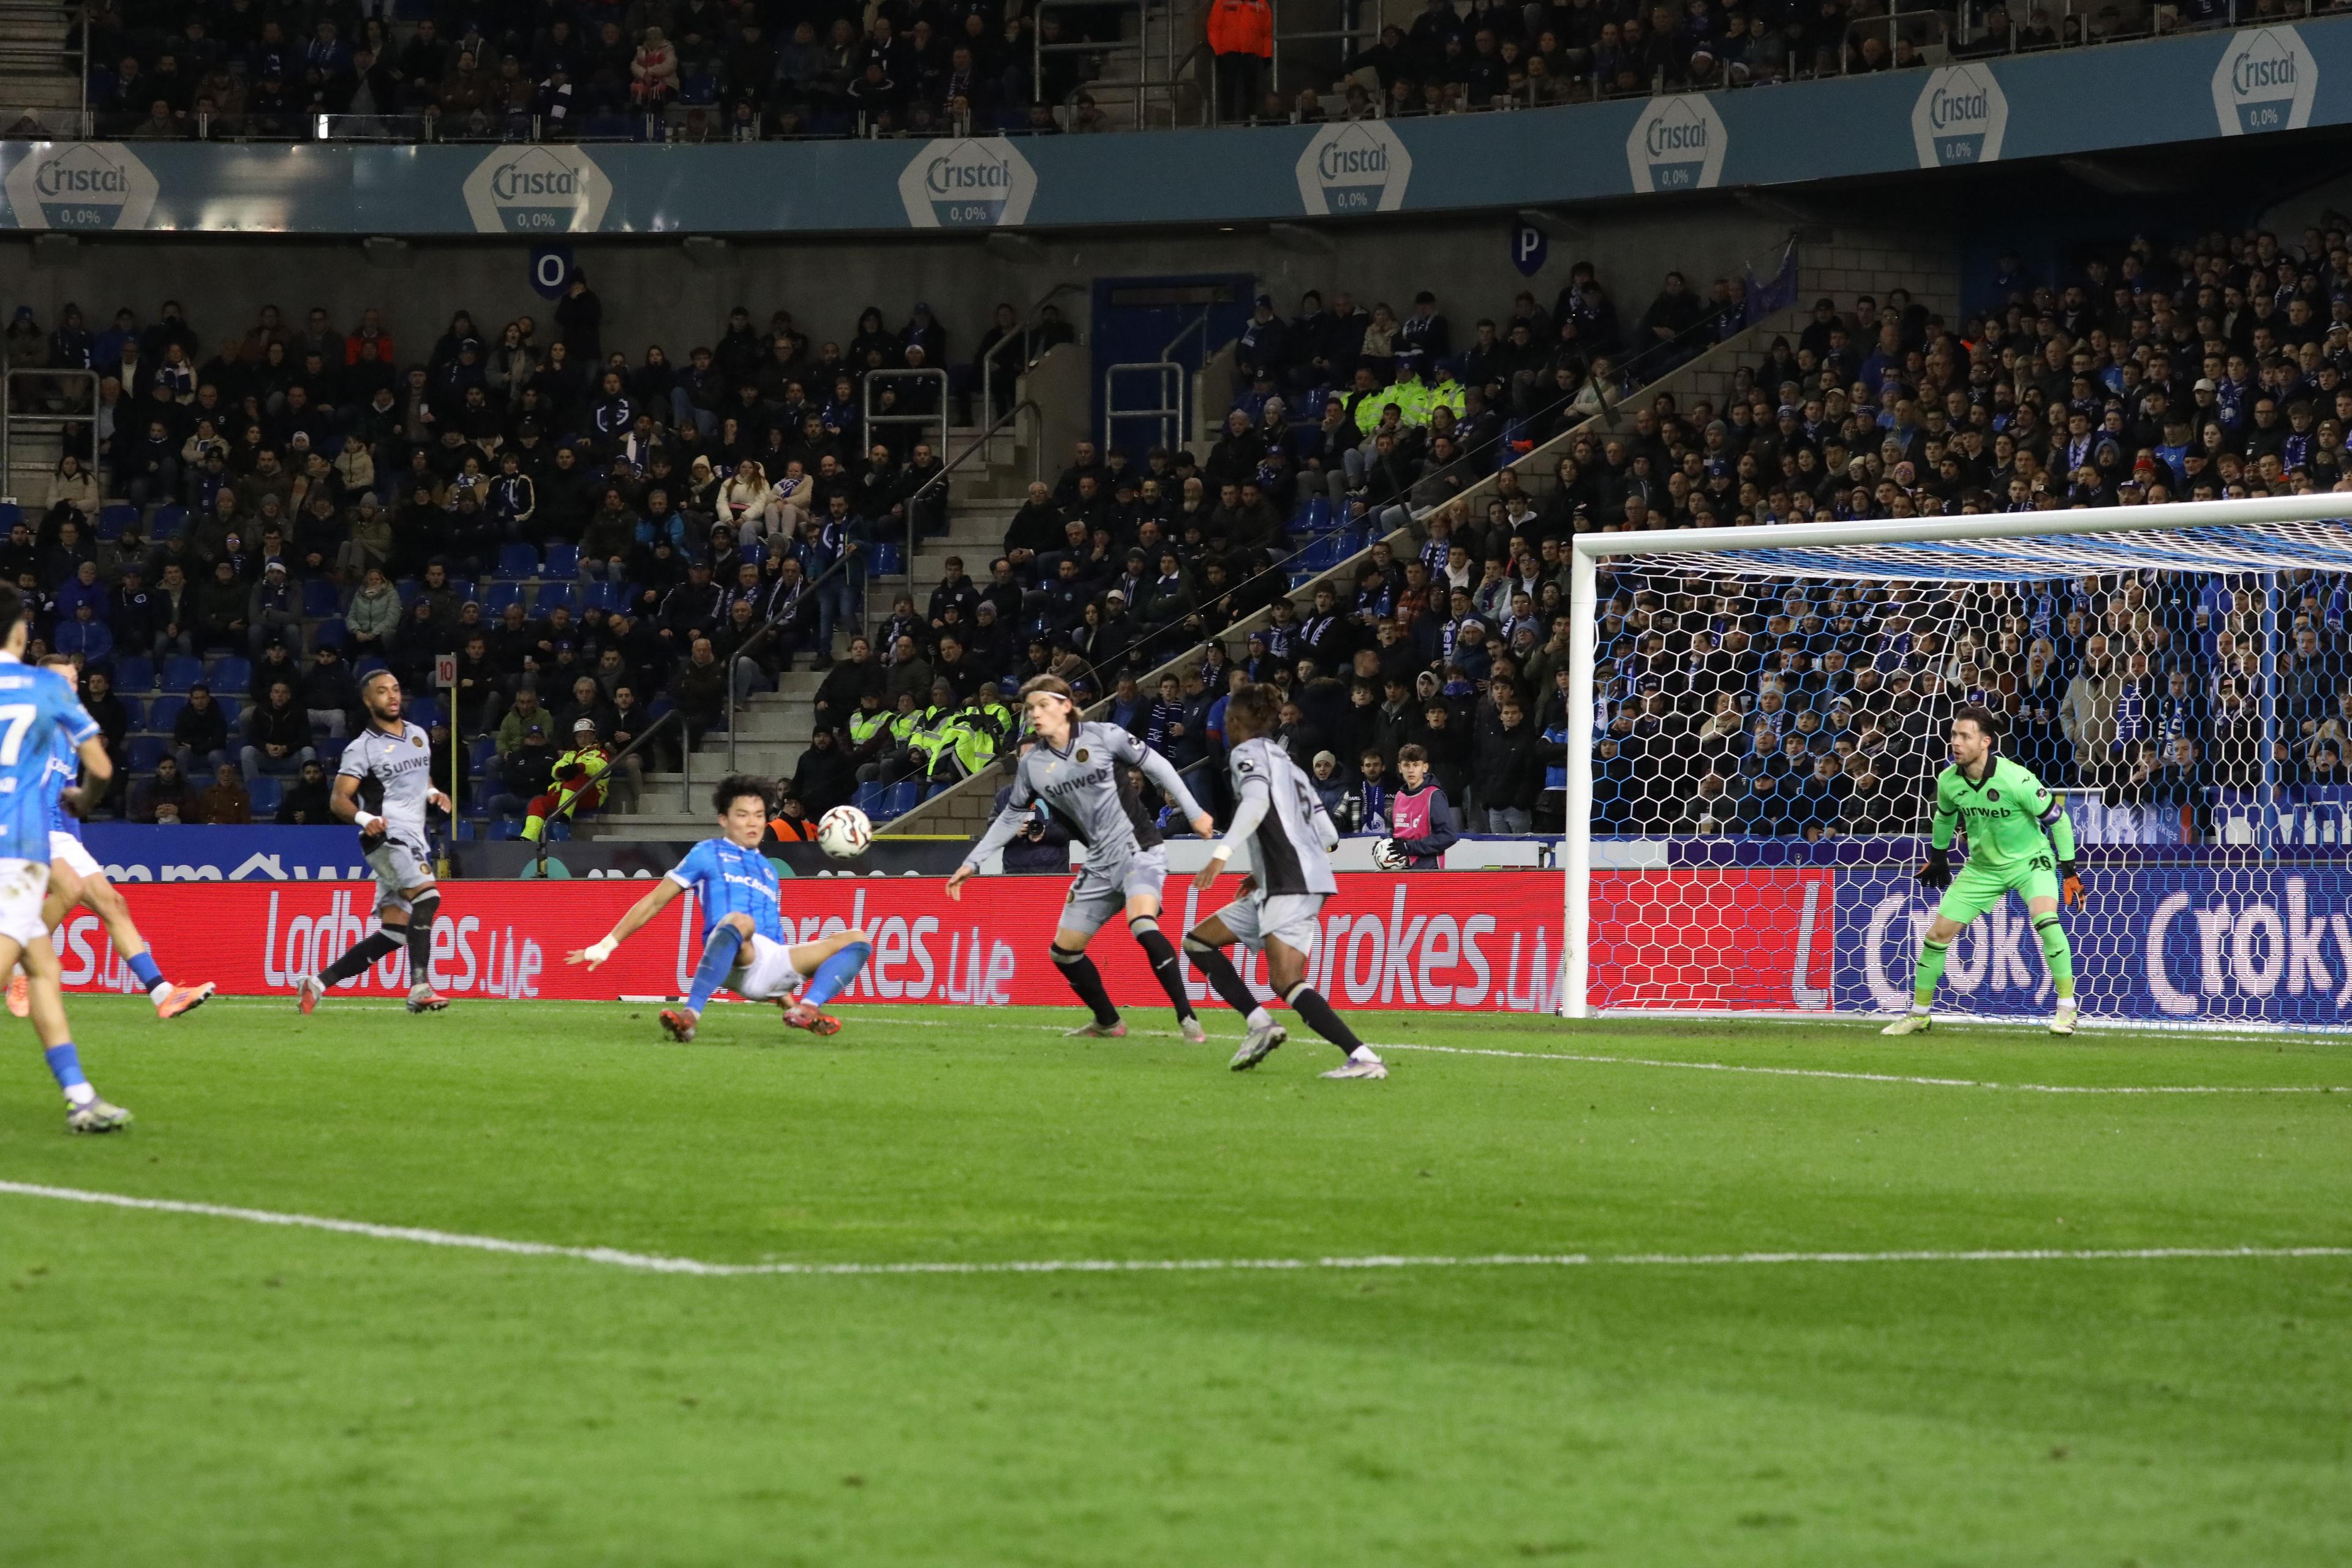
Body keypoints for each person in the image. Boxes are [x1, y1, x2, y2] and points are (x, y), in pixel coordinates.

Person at [946, 674, 1216, 1040]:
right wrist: (973, 862)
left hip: (1138, 848)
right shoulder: (1032, 765)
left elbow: (1157, 765)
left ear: (1066, 707)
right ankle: (1108, 1021)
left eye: (1043, 706)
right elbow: (1011, 815)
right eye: (1030, 709)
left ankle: (1188, 1019)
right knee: (1064, 952)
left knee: (1142, 922)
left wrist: (1195, 811)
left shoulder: (1104, 736)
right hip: (1098, 863)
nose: (1035, 714)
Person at [567, 774, 873, 1042]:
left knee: (857, 939)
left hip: (768, 962)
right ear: (724, 820)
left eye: (759, 815)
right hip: (732, 949)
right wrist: (608, 944)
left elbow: (773, 950)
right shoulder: (707, 852)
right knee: (741, 921)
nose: (752, 823)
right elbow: (655, 900)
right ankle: (691, 1016)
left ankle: (806, 1009)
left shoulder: (768, 871)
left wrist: (785, 1000)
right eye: (742, 815)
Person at [1185, 682, 1385, 1081]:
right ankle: (1260, 1023)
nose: (1225, 726)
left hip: (1288, 883)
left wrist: (1222, 854)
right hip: (1289, 881)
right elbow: (1328, 835)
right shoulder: (1288, 762)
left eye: (1228, 719)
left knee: (1286, 980)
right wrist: (1259, 871)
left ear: (1239, 721)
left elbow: (1258, 804)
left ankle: (1364, 1057)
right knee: (1199, 942)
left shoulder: (1245, 755)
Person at [0, 586, 129, 1131]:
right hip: (18, 846)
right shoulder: (45, 686)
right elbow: (98, 768)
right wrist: (83, 800)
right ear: (22, 631)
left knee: (43, 969)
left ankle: (80, 1096)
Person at [1883, 705, 2082, 1038]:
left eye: (1965, 736)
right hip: (1982, 868)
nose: (1956, 743)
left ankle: (2066, 1007)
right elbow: (1945, 816)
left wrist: (2069, 871)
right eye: (1953, 736)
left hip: (2030, 861)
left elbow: (2058, 820)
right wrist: (1939, 856)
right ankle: (1919, 1014)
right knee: (1936, 936)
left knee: (2045, 920)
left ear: (1986, 741)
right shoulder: (1948, 780)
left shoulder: (2016, 779)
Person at [292, 670, 455, 1015]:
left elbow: (420, 774)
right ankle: (420, 987)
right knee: (428, 897)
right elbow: (339, 799)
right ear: (369, 701)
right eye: (382, 692)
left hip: (413, 838)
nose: (392, 696)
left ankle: (317, 983)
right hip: (386, 837)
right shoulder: (362, 748)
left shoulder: (418, 735)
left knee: (395, 932)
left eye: (396, 689)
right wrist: (367, 820)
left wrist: (433, 792)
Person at [519, 717, 611, 842]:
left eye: (587, 735)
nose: (583, 739)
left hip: (591, 794)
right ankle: (529, 837)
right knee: (538, 802)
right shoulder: (570, 754)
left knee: (577, 778)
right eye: (579, 736)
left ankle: (564, 816)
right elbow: (555, 769)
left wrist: (579, 767)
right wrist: (560, 771)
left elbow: (599, 767)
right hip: (567, 794)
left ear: (594, 736)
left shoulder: (601, 753)